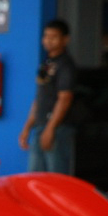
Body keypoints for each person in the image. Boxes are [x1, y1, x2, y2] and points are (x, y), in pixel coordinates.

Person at [17, 18, 76, 174]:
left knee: (55, 179)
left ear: (65, 39)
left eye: (54, 37)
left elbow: (65, 99)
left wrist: (50, 129)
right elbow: (40, 98)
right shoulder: (46, 63)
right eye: (46, 36)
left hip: (58, 129)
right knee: (35, 177)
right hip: (40, 126)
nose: (48, 41)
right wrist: (27, 128)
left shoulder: (65, 65)